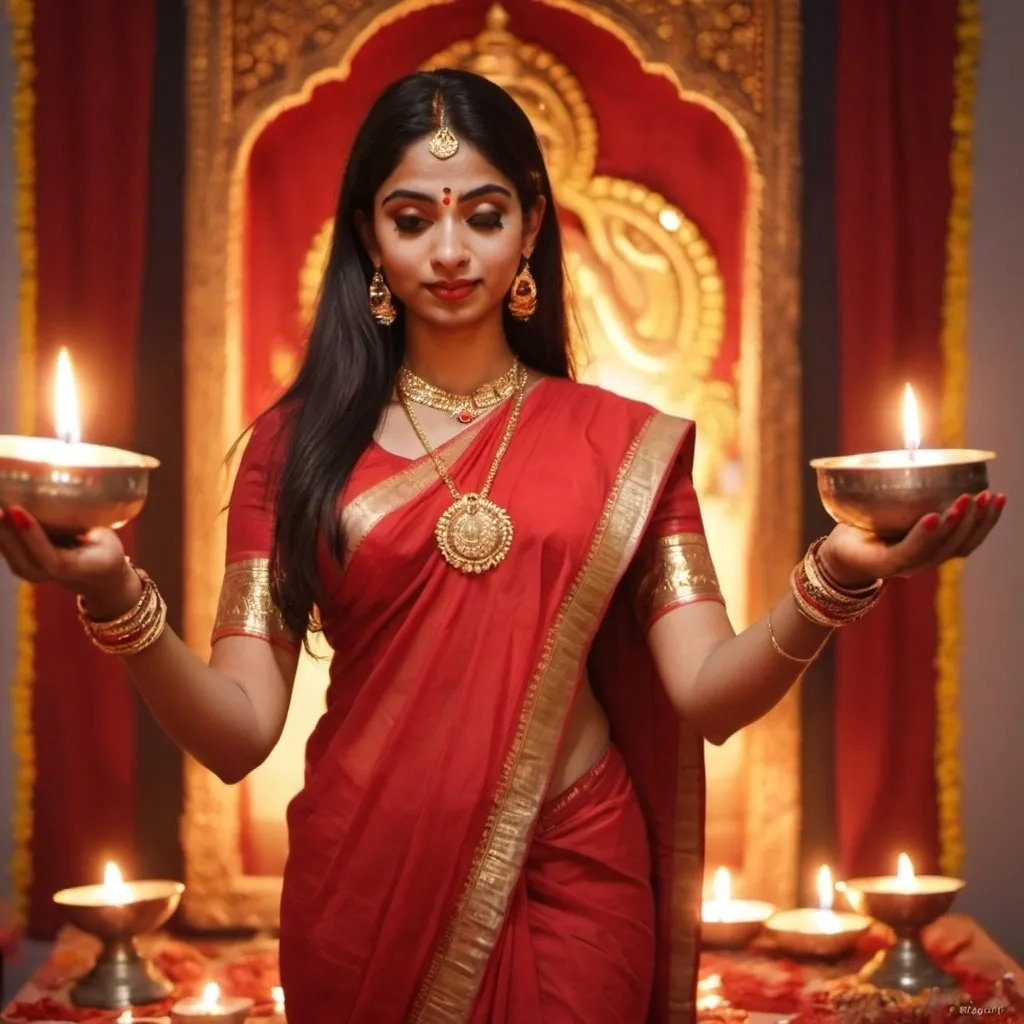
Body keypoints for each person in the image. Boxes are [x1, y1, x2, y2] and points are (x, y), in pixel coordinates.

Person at [0, 69, 1005, 1023]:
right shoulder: (293, 448)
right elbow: (235, 734)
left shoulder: (620, 445)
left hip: (571, 871)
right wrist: (114, 596)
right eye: (411, 218)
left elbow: (706, 692)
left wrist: (837, 573)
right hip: (366, 879)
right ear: (368, 237)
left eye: (481, 216)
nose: (449, 251)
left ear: (530, 226)